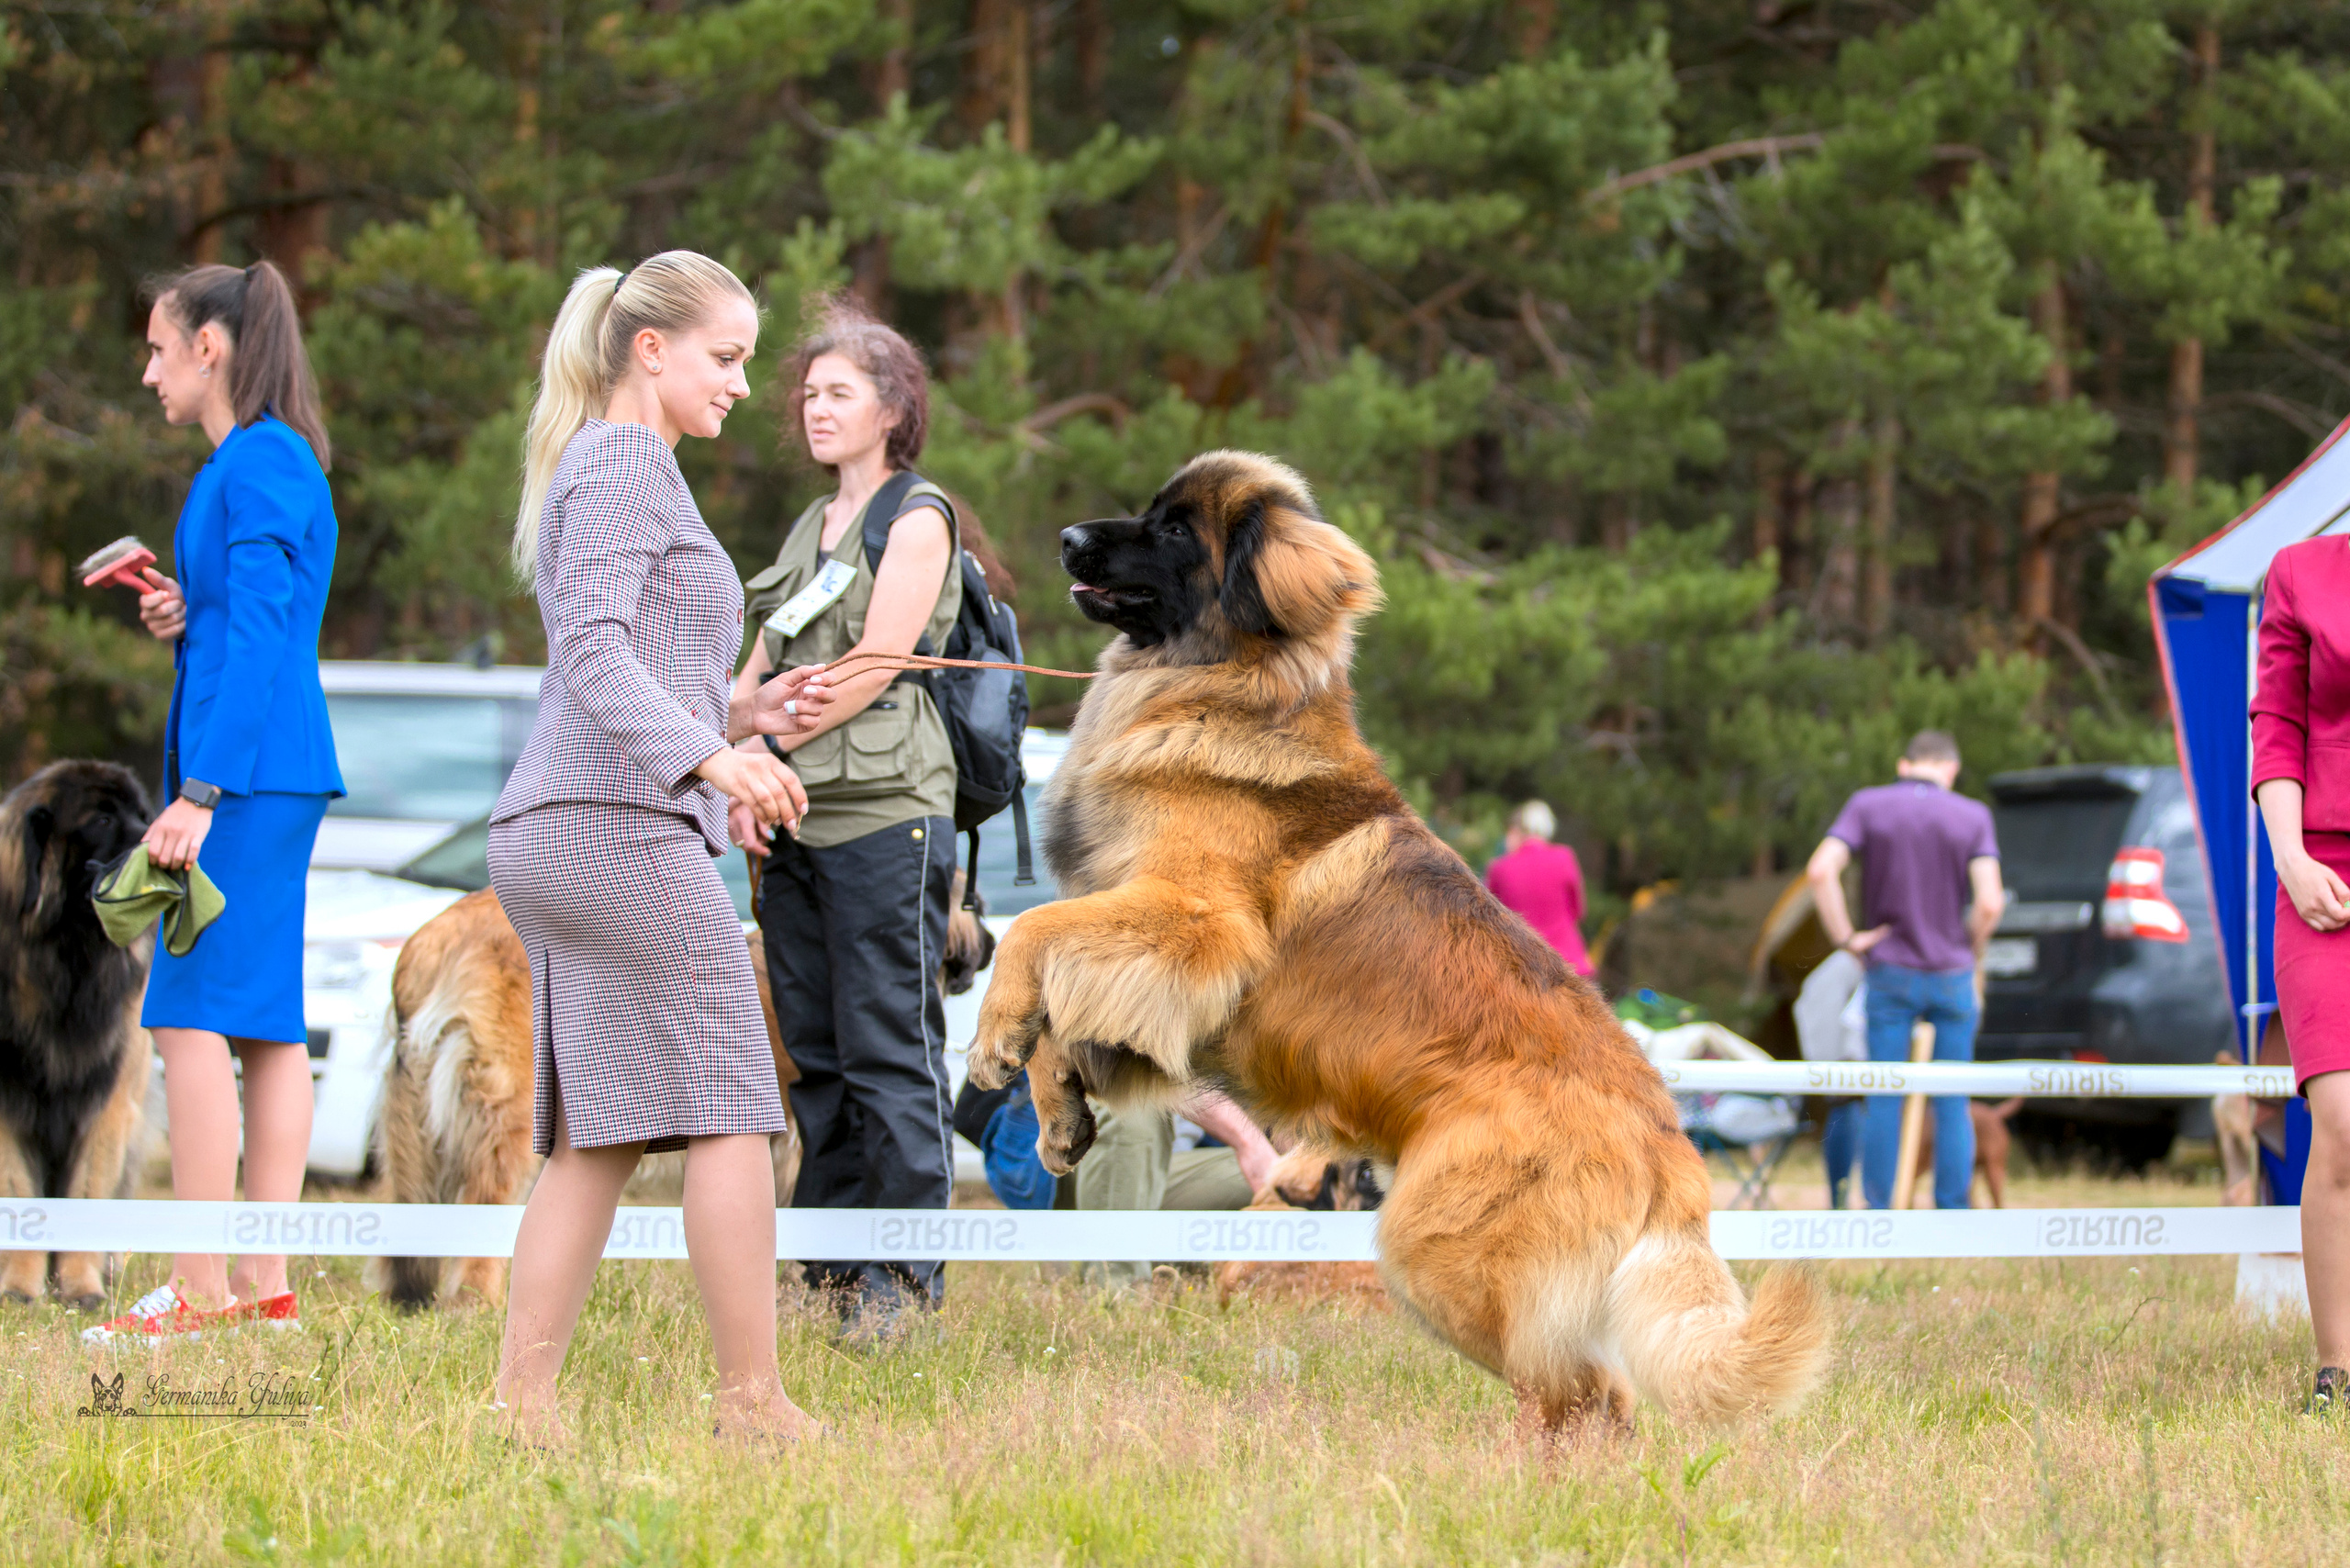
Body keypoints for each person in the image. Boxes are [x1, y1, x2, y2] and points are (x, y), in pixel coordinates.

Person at [485, 252, 834, 1447]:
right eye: (726, 357)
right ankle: (753, 1403)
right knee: (738, 1104)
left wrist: (741, 720)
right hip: (610, 825)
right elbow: (590, 651)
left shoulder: (611, 465)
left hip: (576, 821)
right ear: (650, 349)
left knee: (602, 1135)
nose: (745, 384)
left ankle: (519, 1408)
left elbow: (624, 662)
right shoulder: (627, 461)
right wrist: (707, 762)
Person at [84, 262, 344, 1346]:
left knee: (187, 1017)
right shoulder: (242, 464)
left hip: (245, 780)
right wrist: (186, 613)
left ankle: (199, 1291)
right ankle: (263, 1284)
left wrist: (197, 791)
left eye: (157, 348)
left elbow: (273, 632)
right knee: (268, 1028)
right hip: (265, 769)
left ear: (212, 347)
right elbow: (244, 617)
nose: (147, 373)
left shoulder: (263, 461)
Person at [731, 297, 963, 1341]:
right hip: (791, 821)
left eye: (839, 393)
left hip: (884, 816)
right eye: (808, 394)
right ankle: (827, 1276)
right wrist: (736, 758)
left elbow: (876, 661)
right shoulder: (806, 525)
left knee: (888, 1048)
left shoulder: (916, 515)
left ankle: (903, 1287)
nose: (815, 410)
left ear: (892, 406)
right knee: (814, 1057)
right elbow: (756, 671)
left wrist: (768, 744)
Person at [1804, 731, 2004, 1211]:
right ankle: (1952, 1211)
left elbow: (1820, 870)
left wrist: (1848, 939)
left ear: (1904, 764)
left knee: (1884, 1094)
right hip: (1953, 973)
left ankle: (1880, 1210)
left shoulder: (1868, 805)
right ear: (1950, 770)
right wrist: (1968, 946)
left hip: (1890, 968)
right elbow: (1991, 903)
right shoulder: (1972, 815)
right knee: (1952, 1097)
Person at [2248, 532, 2350, 1414]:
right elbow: (2277, 722)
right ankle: (2338, 1372)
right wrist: (2289, 857)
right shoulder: (2301, 571)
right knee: (2346, 1124)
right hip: (2324, 878)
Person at [1078, 1091, 1280, 1292]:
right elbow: (1159, 1074)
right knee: (1132, 1100)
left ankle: (1277, 1282)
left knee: (1290, 1177)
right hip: (1080, 1167)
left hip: (1170, 1174)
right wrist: (1248, 1142)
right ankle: (1117, 1292)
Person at [1484, 800, 1595, 976]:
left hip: (1521, 968)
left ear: (1516, 831)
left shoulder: (1499, 868)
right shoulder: (1565, 857)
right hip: (1568, 966)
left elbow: (1489, 920)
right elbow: (1578, 912)